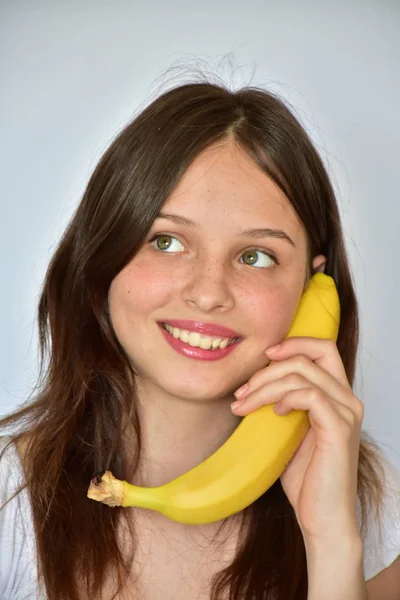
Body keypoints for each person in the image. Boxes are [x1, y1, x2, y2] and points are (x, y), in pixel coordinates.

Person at [0, 78, 399, 600]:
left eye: (255, 256)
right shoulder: (10, 504)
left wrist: (330, 543)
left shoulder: (373, 508)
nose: (209, 294)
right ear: (103, 261)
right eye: (166, 242)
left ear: (310, 289)